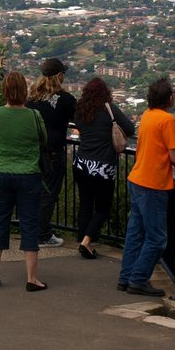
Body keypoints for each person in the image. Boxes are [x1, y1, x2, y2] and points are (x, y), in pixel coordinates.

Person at [118, 76, 175, 296]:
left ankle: (126, 278)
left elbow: (166, 146)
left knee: (135, 233)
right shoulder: (168, 120)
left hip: (137, 178)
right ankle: (138, 280)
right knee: (157, 239)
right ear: (169, 98)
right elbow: (174, 157)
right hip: (154, 184)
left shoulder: (148, 116)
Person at [0, 70, 49, 291]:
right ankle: (31, 279)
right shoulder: (33, 116)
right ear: (24, 91)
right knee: (29, 224)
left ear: (4, 90)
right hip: (28, 175)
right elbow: (44, 139)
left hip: (1, 173)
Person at [72, 77, 135, 259]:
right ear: (105, 92)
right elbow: (129, 129)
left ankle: (82, 241)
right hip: (102, 167)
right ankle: (86, 241)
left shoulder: (79, 110)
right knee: (103, 208)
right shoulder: (109, 110)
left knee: (85, 204)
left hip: (81, 164)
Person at [27, 58, 76, 248]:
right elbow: (80, 119)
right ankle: (43, 234)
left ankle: (32, 230)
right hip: (53, 153)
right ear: (60, 76)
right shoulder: (65, 100)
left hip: (33, 151)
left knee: (34, 193)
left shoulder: (32, 98)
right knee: (49, 194)